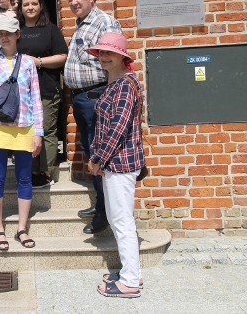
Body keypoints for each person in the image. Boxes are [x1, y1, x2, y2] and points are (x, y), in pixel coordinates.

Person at [0, 14, 44, 252]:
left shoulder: (27, 63)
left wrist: (39, 132)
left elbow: (36, 98)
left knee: (25, 178)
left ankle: (22, 228)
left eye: (8, 33)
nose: (4, 37)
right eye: (0, 34)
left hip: (25, 127)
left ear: (18, 35)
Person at [85, 33, 144, 298]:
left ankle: (131, 281)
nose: (104, 57)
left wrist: (98, 159)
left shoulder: (124, 85)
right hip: (115, 162)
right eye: (101, 53)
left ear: (122, 56)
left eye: (109, 53)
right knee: (119, 219)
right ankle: (130, 272)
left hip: (119, 163)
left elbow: (117, 128)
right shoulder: (117, 82)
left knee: (122, 221)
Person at [64, 0, 122, 235]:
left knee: (100, 154)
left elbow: (114, 61)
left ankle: (105, 213)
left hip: (96, 97)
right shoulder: (82, 24)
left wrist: (108, 98)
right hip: (82, 98)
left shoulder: (104, 22)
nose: (74, 3)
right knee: (92, 152)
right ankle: (101, 203)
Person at [17, 0, 68, 186]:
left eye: (34, 4)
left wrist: (38, 61)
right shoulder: (17, 30)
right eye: (26, 4)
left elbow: (62, 57)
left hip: (46, 88)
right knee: (25, 130)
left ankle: (45, 172)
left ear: (40, 6)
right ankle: (29, 170)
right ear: (20, 8)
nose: (30, 7)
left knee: (46, 130)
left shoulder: (51, 30)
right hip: (22, 91)